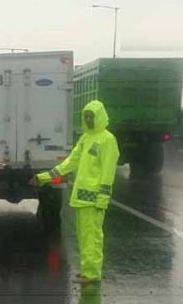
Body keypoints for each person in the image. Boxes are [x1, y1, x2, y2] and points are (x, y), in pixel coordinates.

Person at [30, 100, 119, 284]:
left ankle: (93, 273)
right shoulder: (86, 139)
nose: (88, 119)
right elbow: (69, 163)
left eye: (91, 116)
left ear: (100, 116)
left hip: (94, 200)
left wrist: (103, 198)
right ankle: (87, 271)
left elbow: (108, 171)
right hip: (81, 198)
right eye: (86, 116)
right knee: (84, 237)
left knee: (92, 237)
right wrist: (43, 177)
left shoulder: (107, 140)